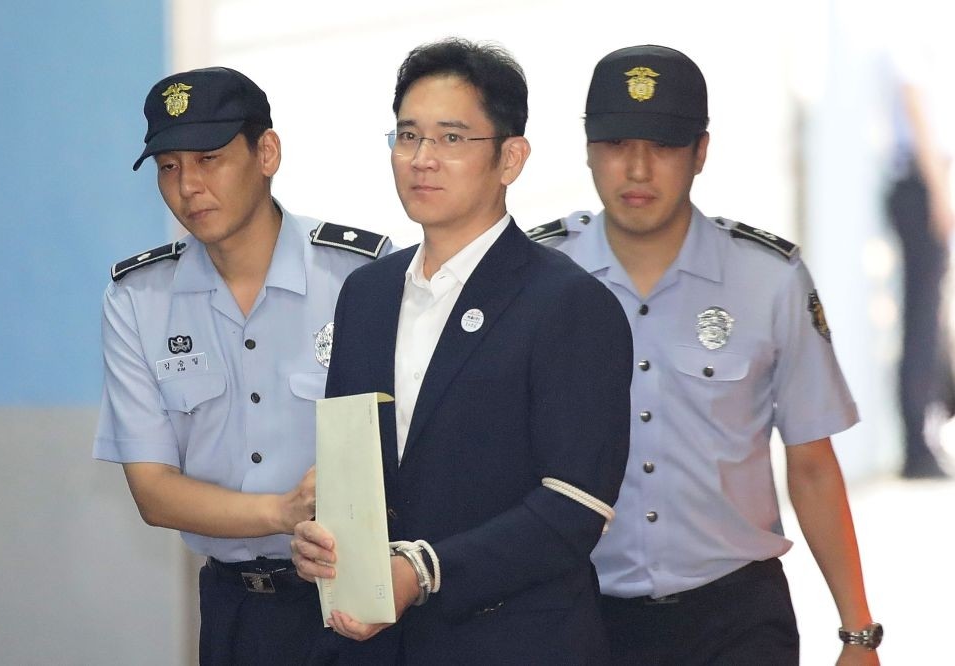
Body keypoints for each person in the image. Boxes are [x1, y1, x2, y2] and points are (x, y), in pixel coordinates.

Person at [531, 45, 881, 664]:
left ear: (701, 153)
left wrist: (858, 633)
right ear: (588, 150)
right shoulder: (536, 275)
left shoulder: (769, 279)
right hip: (576, 613)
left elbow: (813, 464)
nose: (637, 170)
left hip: (734, 617)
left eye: (663, 147)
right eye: (616, 144)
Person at [290, 38, 633, 664]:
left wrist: (423, 571)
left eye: (452, 139)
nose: (422, 159)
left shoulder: (567, 303)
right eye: (407, 136)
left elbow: (575, 505)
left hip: (515, 639)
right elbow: (354, 469)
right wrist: (323, 541)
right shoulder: (366, 293)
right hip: (376, 641)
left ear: (511, 157)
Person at [92, 66, 389, 665]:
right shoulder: (137, 299)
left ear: (267, 152)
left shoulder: (363, 276)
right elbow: (154, 492)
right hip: (234, 611)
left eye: (209, 158)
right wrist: (281, 512)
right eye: (169, 168)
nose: (189, 187)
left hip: (362, 600)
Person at [884, 11, 955, 479]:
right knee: (922, 319)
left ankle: (930, 428)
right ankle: (916, 446)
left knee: (931, 316)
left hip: (929, 181)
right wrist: (939, 191)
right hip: (921, 184)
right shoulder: (909, 29)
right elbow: (915, 105)